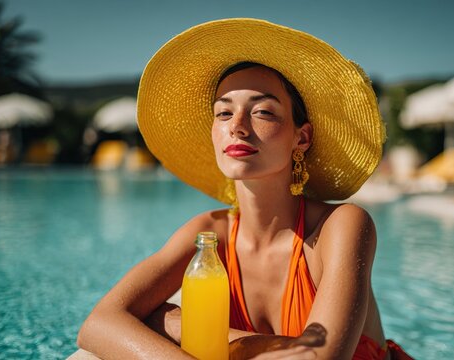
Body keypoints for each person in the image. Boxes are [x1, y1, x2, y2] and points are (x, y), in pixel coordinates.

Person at [75, 18, 413, 359]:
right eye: (223, 113)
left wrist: (178, 324)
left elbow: (317, 357)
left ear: (302, 137)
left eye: (263, 111)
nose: (236, 127)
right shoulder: (210, 232)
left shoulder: (339, 227)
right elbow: (97, 325)